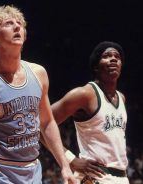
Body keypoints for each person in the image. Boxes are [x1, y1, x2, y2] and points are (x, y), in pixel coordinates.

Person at [0, 5, 76, 184]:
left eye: (20, 24)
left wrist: (65, 165)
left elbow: (46, 122)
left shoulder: (39, 73)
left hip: (33, 170)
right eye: (8, 23)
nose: (17, 27)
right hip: (0, 171)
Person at [51, 41, 129, 184]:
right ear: (96, 66)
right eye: (107, 56)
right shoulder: (84, 94)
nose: (113, 59)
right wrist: (70, 159)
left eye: (117, 57)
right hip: (94, 177)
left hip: (121, 177)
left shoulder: (121, 97)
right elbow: (40, 123)